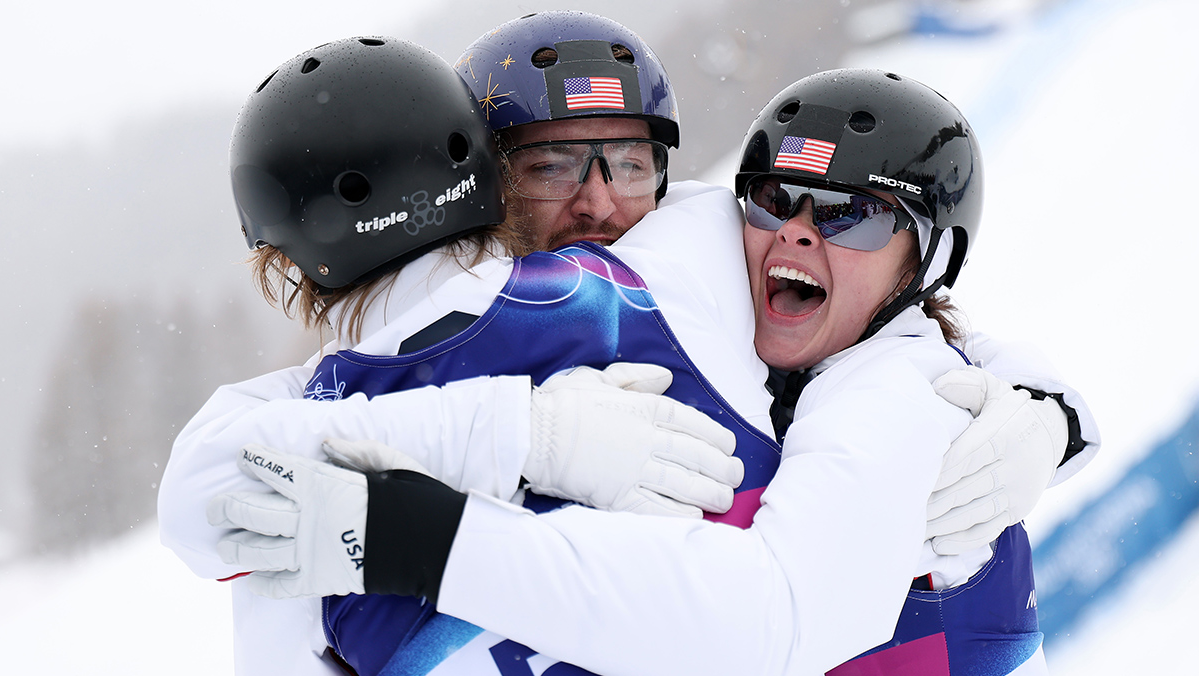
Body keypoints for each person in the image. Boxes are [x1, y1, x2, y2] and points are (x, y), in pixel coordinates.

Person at [162, 11, 1097, 675]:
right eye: (553, 163)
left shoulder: (709, 256)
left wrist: (1046, 414)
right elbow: (214, 487)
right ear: (482, 181)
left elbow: (914, 333)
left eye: (632, 160)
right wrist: (514, 432)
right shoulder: (446, 343)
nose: (602, 202)